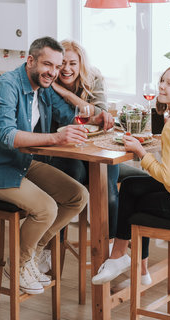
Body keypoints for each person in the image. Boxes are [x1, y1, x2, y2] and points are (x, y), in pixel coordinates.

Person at [0, 36, 113, 295]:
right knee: (46, 208)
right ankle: (19, 263)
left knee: (78, 195)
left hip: (21, 162)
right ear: (30, 60)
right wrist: (56, 137)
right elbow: (6, 136)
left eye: (57, 67)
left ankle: (30, 255)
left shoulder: (44, 88)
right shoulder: (6, 86)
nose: (54, 72)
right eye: (48, 65)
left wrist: (98, 118)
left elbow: (70, 118)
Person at [91, 63, 170, 286]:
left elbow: (167, 177)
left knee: (135, 204)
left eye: (169, 83)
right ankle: (131, 265)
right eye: (162, 80)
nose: (161, 86)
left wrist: (140, 152)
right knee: (131, 185)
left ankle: (122, 259)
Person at [47, 39, 146, 248]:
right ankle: (54, 246)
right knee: (75, 180)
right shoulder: (47, 84)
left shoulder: (94, 78)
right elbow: (69, 120)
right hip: (64, 153)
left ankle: (111, 245)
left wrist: (65, 93)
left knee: (108, 185)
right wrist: (91, 114)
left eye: (72, 63)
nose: (66, 69)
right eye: (62, 63)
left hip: (94, 149)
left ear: (81, 64)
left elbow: (101, 115)